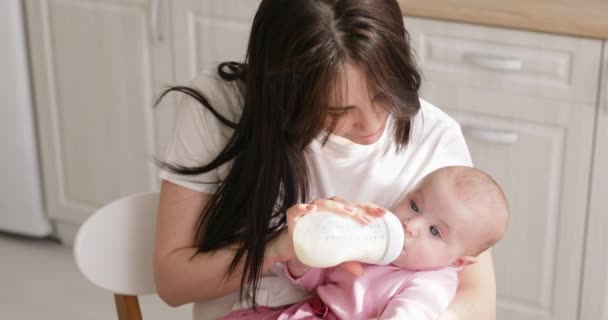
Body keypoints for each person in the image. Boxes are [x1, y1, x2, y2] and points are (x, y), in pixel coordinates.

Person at [153, 0, 498, 319]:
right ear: (286, 94)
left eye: (383, 95)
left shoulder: (434, 139)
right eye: (338, 111)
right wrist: (280, 249)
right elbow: (173, 284)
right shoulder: (223, 106)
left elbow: (478, 302)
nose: (373, 125)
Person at [219, 166, 509, 319]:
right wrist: (303, 253)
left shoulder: (431, 282)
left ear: (458, 261)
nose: (412, 225)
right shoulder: (374, 235)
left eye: (435, 232)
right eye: (415, 206)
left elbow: (413, 313)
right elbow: (318, 278)